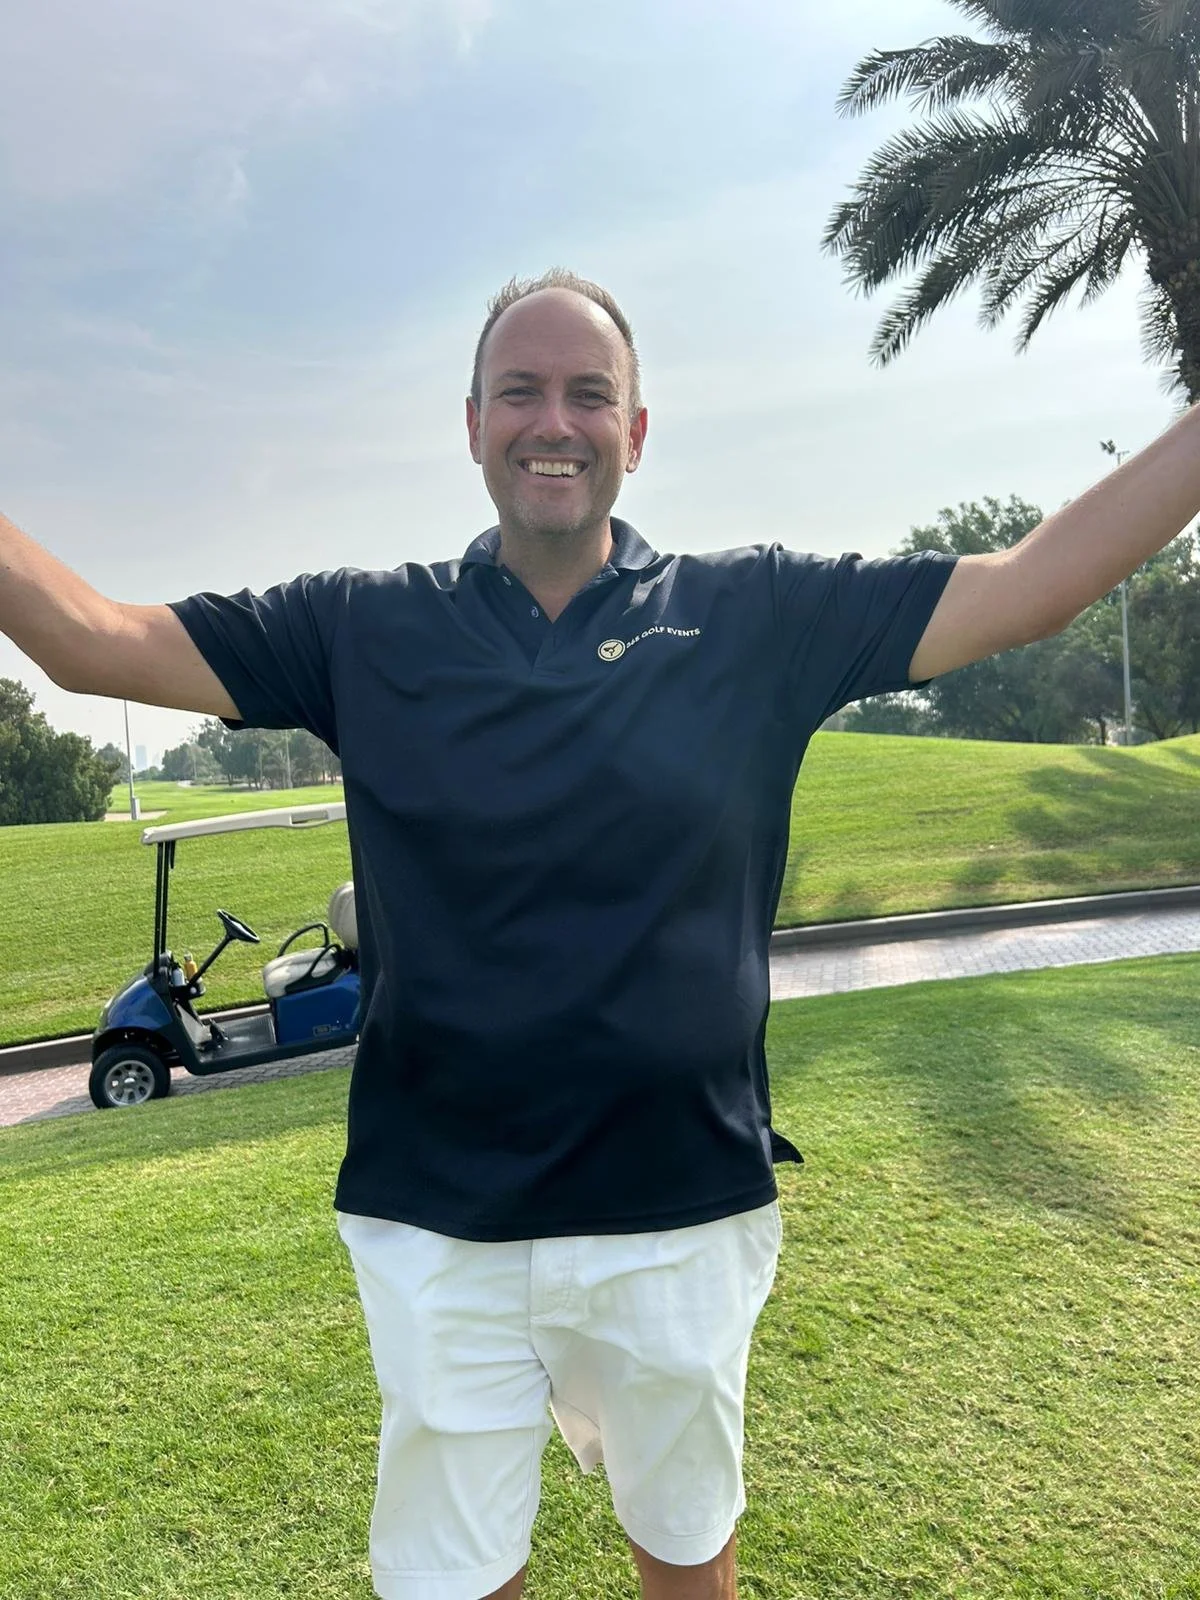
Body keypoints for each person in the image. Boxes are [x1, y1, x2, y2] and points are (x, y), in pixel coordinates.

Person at [3, 267, 1198, 1600]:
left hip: (677, 1206)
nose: (552, 422)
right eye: (521, 392)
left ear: (635, 432)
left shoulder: (757, 615)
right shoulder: (364, 626)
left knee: (686, 1560)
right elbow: (91, 639)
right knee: (457, 1580)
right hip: (440, 1215)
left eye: (589, 394)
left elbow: (1029, 587)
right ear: (472, 426)